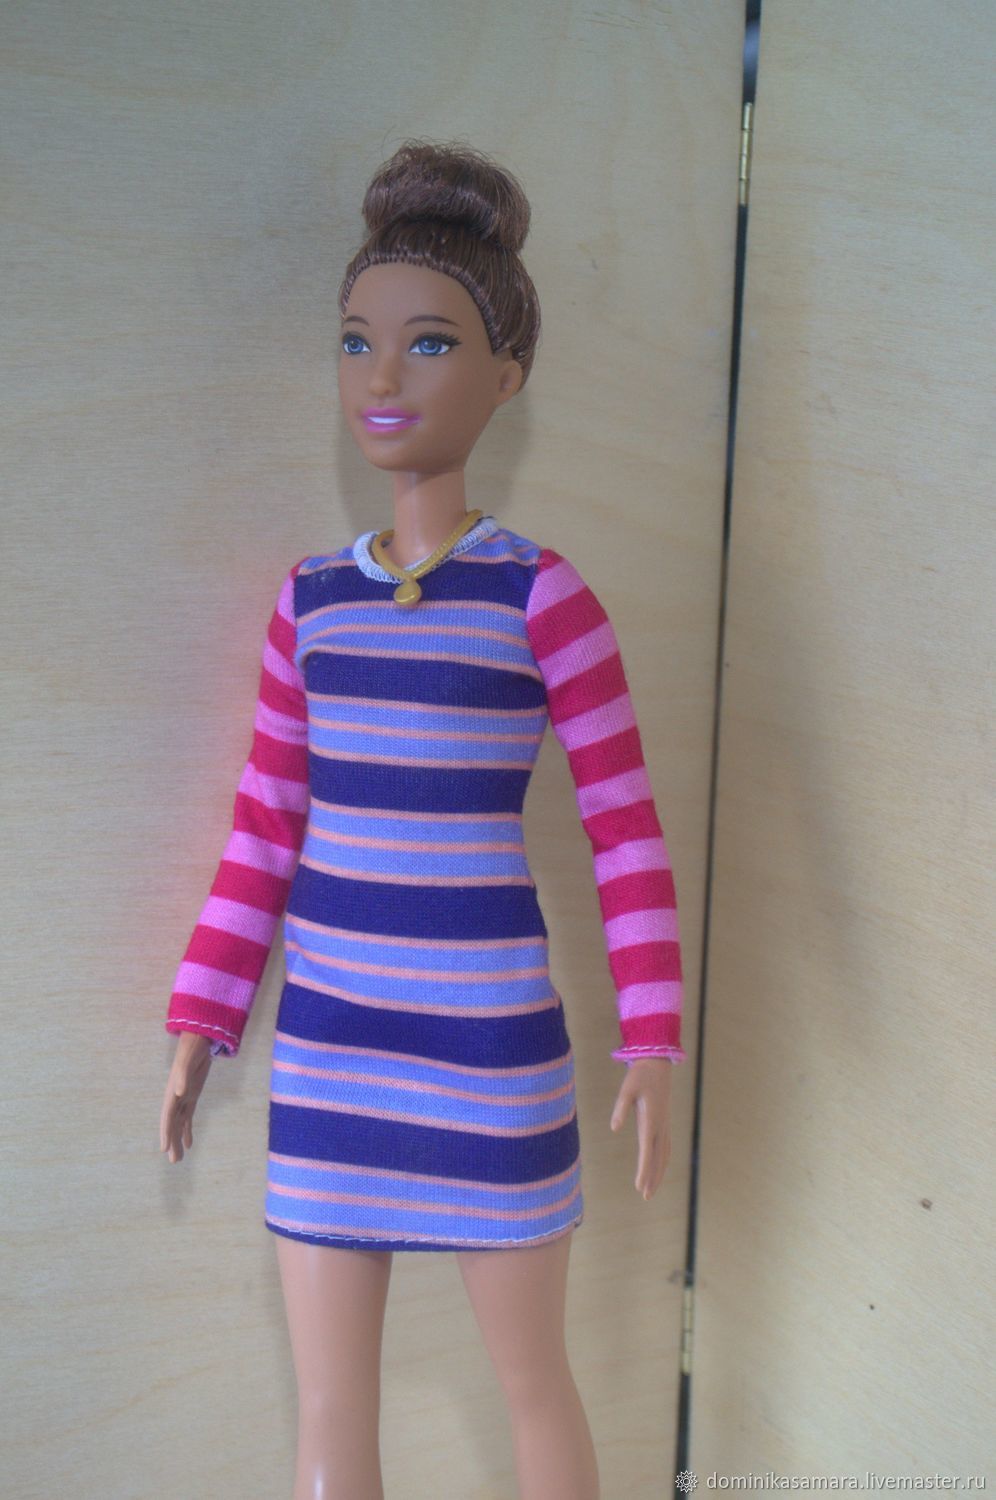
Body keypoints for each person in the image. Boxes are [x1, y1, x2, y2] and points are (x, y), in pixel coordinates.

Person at [160, 139, 686, 1500]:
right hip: (331, 1054)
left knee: (533, 1385)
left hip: (487, 1052)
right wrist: (203, 1016)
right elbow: (265, 826)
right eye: (357, 342)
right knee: (331, 1411)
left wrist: (650, 1035)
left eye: (429, 343)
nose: (381, 380)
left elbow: (625, 831)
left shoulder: (542, 598)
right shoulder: (309, 604)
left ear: (508, 375)